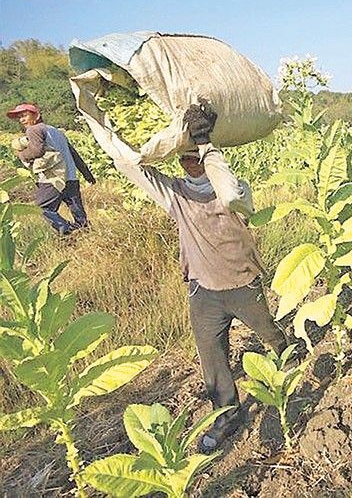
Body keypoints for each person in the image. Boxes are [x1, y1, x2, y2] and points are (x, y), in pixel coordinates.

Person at [99, 101, 287, 453]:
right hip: (203, 290)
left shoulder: (236, 188)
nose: (191, 164)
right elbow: (129, 166)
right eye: (184, 158)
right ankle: (228, 416)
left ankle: (289, 368)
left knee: (271, 336)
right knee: (212, 357)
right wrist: (99, 121)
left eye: (196, 158)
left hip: (243, 284)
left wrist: (205, 142)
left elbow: (230, 192)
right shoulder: (175, 193)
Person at [6, 103, 95, 235]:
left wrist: (21, 155)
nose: (22, 120)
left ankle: (67, 231)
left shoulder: (34, 129)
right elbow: (74, 154)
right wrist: (88, 175)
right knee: (78, 214)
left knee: (43, 207)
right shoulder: (56, 131)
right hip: (71, 177)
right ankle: (86, 235)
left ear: (36, 115)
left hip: (53, 178)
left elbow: (36, 151)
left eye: (24, 115)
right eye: (19, 117)